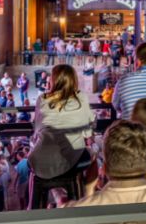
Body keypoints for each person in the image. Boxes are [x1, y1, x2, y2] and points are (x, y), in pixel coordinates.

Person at [28, 64, 97, 205]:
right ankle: (88, 197)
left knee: (38, 165)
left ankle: (33, 205)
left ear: (53, 80)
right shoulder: (81, 98)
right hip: (68, 159)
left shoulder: (42, 99)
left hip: (38, 159)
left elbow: (38, 128)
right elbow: (87, 132)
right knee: (94, 153)